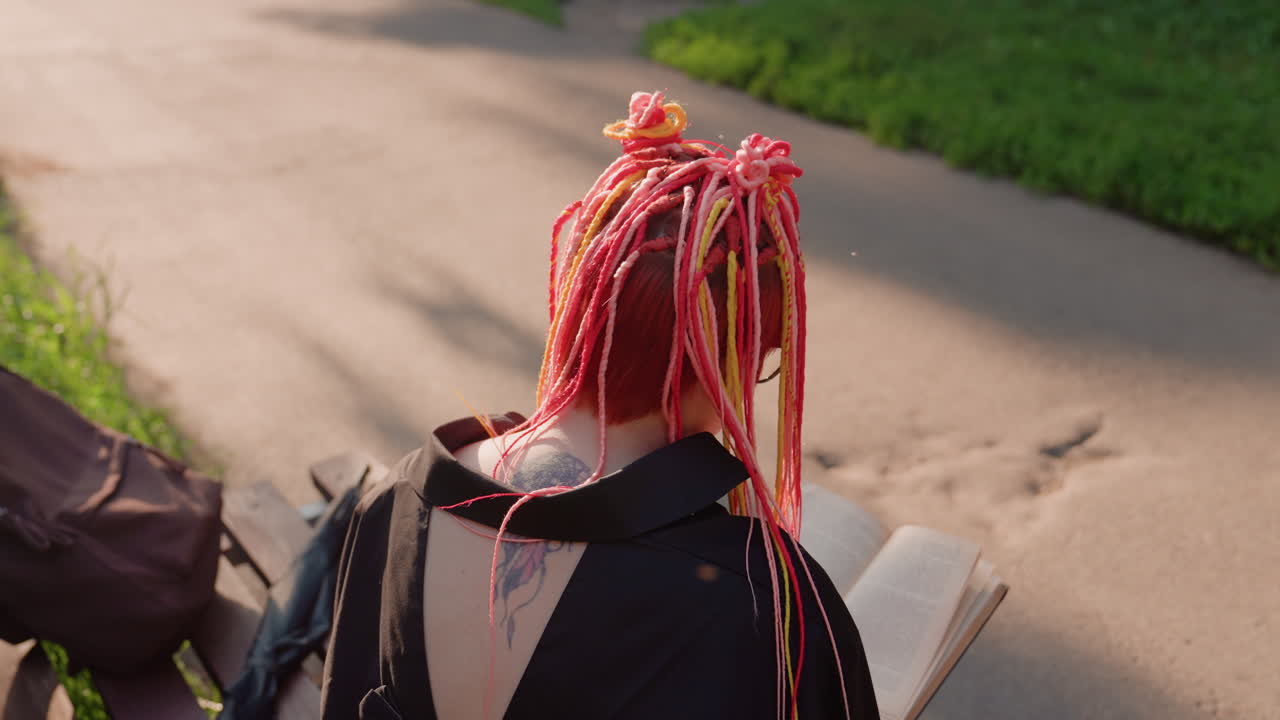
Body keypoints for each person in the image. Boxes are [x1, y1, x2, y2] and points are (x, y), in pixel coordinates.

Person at [320, 91, 879, 719]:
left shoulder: (393, 501)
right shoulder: (759, 603)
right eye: (762, 362)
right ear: (731, 363)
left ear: (580, 301)